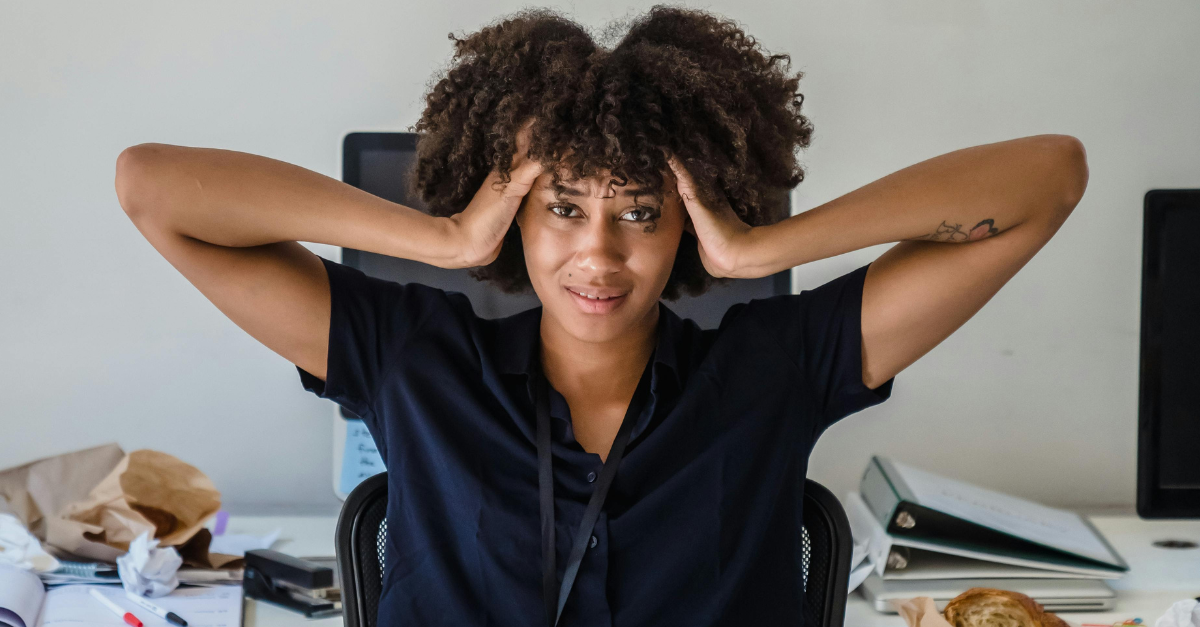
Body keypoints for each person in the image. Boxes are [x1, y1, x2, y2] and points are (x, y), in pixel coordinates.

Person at [113, 6, 1088, 626]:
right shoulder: (411, 357)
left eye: (641, 215)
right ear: (517, 218)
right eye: (565, 209)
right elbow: (152, 186)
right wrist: (451, 239)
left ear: (684, 229)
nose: (599, 255)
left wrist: (757, 246)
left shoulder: (773, 367)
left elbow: (1050, 176)